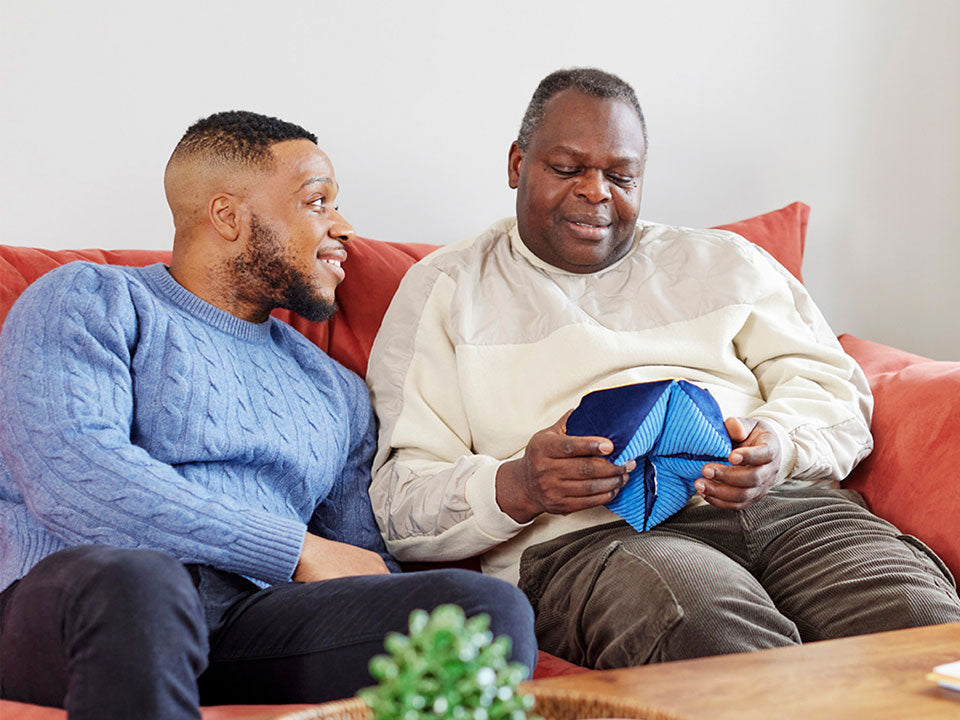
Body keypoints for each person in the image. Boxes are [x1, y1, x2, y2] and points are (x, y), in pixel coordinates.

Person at [365, 68, 960, 669]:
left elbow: (836, 391)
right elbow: (398, 501)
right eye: (569, 169)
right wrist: (520, 484)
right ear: (518, 164)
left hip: (789, 510)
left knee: (924, 628)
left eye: (621, 176)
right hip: (594, 543)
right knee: (708, 632)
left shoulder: (724, 264)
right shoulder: (446, 289)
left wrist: (778, 447)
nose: (596, 191)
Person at [0, 111, 536, 719]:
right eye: (318, 202)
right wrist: (295, 551)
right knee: (143, 586)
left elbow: (355, 560)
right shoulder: (89, 298)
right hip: (84, 600)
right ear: (227, 216)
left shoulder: (335, 388)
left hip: (254, 621)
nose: (344, 227)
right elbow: (74, 477)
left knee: (479, 613)